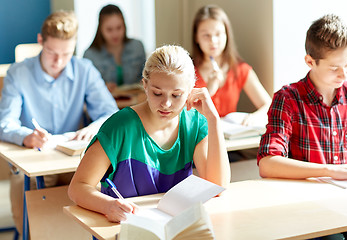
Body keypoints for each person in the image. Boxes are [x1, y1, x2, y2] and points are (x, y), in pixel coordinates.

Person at [68, 45, 231, 222]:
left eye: (176, 95)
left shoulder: (195, 123)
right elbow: (78, 187)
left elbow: (217, 186)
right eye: (157, 93)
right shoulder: (119, 126)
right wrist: (108, 206)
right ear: (145, 85)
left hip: (175, 227)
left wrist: (213, 119)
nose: (166, 104)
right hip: (126, 228)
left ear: (191, 90)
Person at [0, 11, 118, 234]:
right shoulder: (18, 73)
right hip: (32, 162)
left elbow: (110, 113)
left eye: (67, 53)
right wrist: (27, 136)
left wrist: (93, 127)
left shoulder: (85, 70)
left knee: (92, 202)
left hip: (72, 160)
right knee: (30, 215)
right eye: (52, 52)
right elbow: (5, 124)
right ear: (40, 41)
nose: (59, 61)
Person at [257, 14, 347, 240]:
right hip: (312, 210)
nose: (344, 74)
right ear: (310, 61)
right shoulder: (288, 99)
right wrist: (330, 170)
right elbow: (267, 163)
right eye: (334, 68)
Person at [192, 5, 271, 125]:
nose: (213, 41)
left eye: (218, 34)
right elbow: (181, 114)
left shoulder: (240, 69)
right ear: (196, 37)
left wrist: (254, 118)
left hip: (229, 139)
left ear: (227, 35)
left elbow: (268, 105)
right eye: (206, 35)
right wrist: (209, 91)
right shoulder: (187, 72)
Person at [83, 4, 146, 92]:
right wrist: (101, 87)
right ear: (100, 29)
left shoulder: (137, 46)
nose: (115, 34)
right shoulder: (90, 55)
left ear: (124, 26)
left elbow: (147, 76)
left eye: (119, 28)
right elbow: (87, 88)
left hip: (137, 102)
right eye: (109, 29)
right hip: (106, 103)